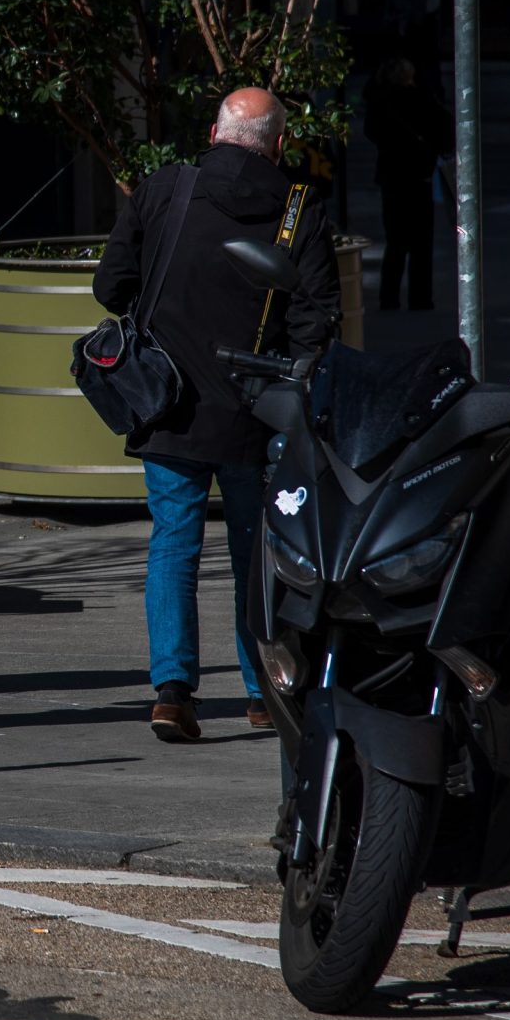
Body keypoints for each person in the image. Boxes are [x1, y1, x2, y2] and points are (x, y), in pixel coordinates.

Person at [92, 87, 340, 742]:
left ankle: (173, 692)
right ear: (279, 144)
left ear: (214, 131)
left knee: (173, 539)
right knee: (256, 549)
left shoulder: (165, 188)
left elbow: (109, 286)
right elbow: (318, 317)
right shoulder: (298, 207)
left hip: (167, 402)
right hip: (255, 411)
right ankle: (263, 691)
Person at [364, 56, 451, 310]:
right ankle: (420, 297)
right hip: (418, 176)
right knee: (421, 243)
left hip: (392, 178)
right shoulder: (420, 99)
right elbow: (444, 129)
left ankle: (389, 297)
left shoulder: (380, 102)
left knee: (395, 241)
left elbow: (372, 132)